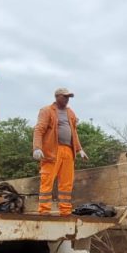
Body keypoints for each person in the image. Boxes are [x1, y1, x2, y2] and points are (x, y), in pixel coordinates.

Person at [33, 87, 86, 216]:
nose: (67, 99)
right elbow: (39, 130)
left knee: (66, 184)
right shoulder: (47, 111)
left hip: (68, 151)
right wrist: (37, 148)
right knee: (47, 181)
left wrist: (79, 149)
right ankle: (44, 211)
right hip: (52, 151)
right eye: (65, 96)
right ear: (57, 97)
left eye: (68, 97)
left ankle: (65, 211)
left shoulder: (70, 113)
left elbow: (74, 132)